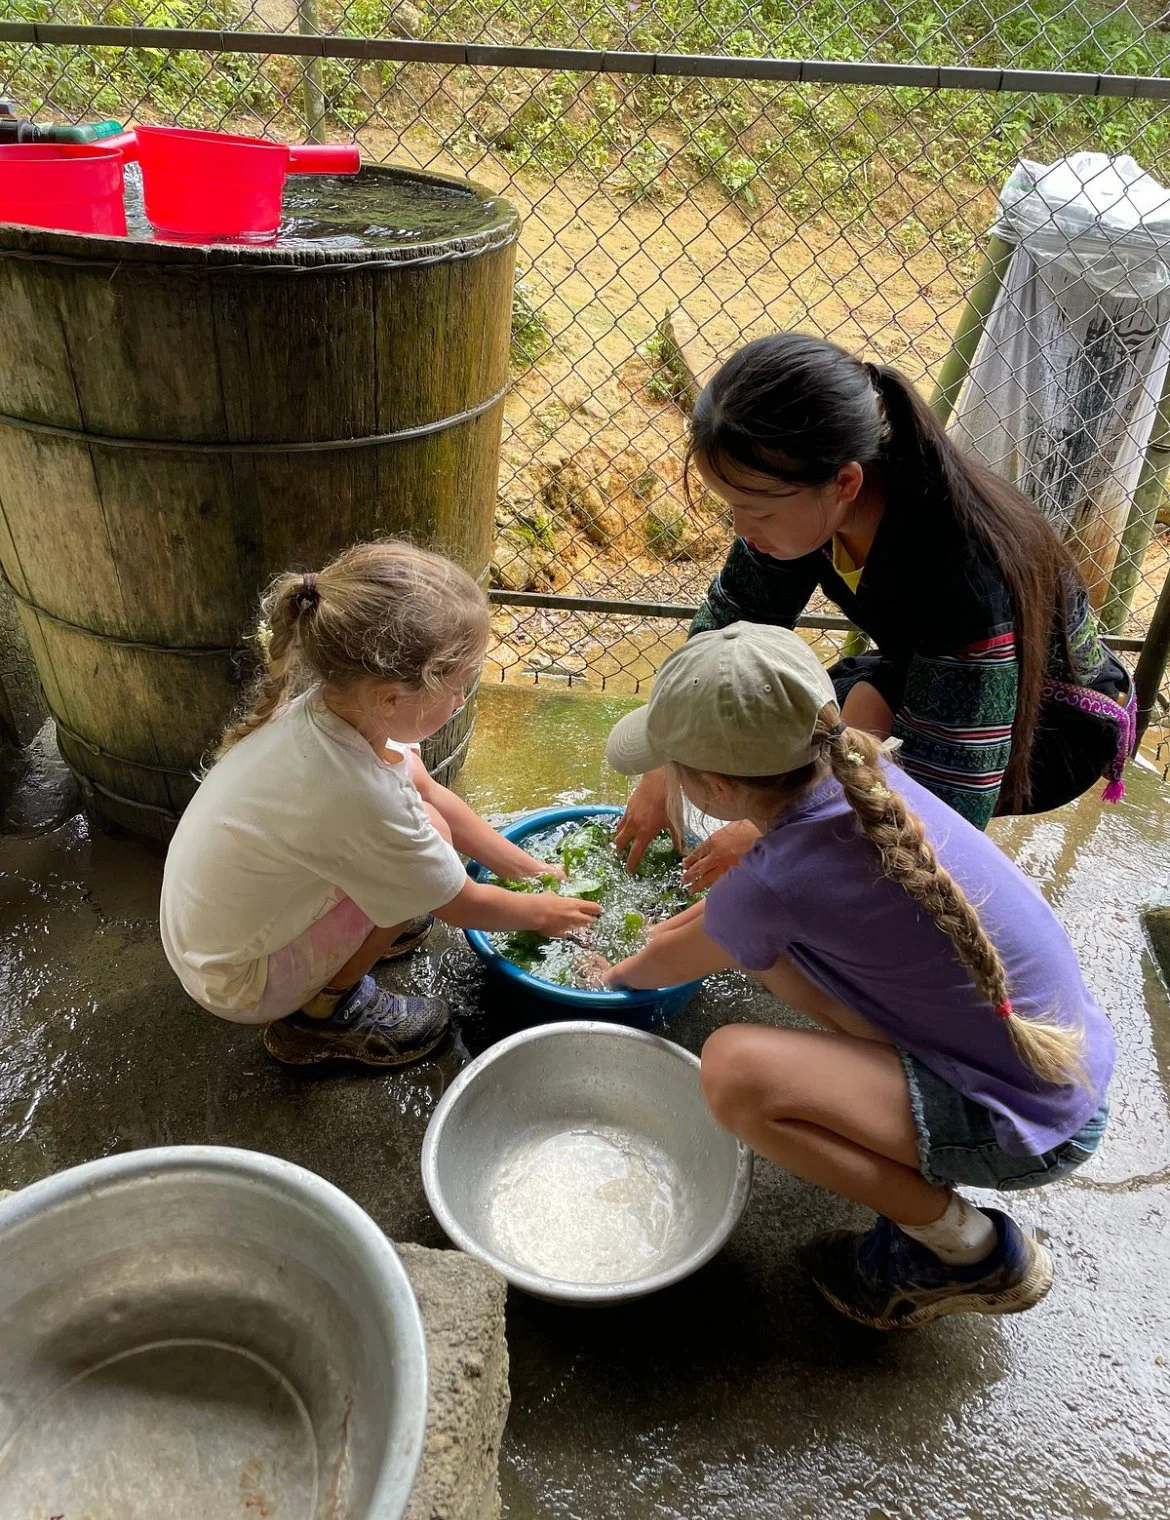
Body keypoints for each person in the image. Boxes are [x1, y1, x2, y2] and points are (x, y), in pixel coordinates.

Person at [602, 621, 1113, 1330]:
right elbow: (726, 918)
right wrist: (680, 932)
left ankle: (962, 1250)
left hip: (1030, 1121)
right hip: (1061, 1056)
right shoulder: (868, 780)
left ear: (716, 789)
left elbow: (660, 965)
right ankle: (906, 1129)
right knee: (774, 957)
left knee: (733, 1072)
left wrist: (604, 970)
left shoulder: (772, 884)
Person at [617, 332, 1134, 888]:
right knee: (808, 725)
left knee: (850, 806)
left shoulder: (959, 576)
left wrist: (770, 833)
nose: (743, 531)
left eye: (756, 511)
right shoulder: (803, 510)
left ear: (845, 481)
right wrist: (665, 761)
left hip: (1053, 725)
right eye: (734, 509)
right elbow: (723, 640)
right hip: (923, 676)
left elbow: (952, 802)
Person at [161, 540, 599, 1067]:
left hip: (210, 940)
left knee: (425, 833)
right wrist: (553, 916)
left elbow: (430, 792)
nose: (462, 700)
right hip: (241, 980)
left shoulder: (339, 708)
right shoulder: (355, 791)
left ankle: (359, 937)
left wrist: (535, 874)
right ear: (391, 696)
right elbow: (461, 904)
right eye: (457, 686)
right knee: (420, 858)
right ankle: (321, 1016)